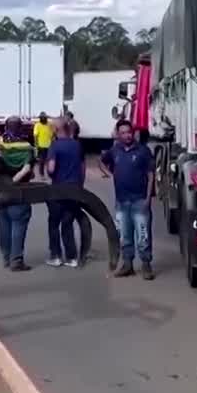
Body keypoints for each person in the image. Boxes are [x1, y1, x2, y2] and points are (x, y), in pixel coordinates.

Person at [99, 119, 155, 280]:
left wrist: (148, 198)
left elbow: (151, 175)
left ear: (133, 133)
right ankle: (127, 265)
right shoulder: (115, 150)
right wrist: (111, 175)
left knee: (143, 235)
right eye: (123, 133)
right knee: (124, 235)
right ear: (118, 134)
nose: (127, 135)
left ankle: (146, 265)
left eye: (129, 132)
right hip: (121, 201)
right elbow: (101, 161)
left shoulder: (143, 151)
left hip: (139, 200)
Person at [0, 117, 36, 271]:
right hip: (19, 191)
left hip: (0, 190)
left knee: (4, 224)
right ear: (21, 128)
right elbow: (27, 170)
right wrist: (14, 181)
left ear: (6, 127)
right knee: (19, 223)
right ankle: (16, 260)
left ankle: (6, 257)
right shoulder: (27, 148)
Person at [46, 118, 87, 267]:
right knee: (67, 223)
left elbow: (51, 168)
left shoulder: (55, 146)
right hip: (75, 189)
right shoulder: (77, 145)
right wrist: (80, 185)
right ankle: (72, 257)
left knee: (54, 223)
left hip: (59, 189)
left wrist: (50, 174)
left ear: (56, 130)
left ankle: (56, 256)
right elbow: (83, 168)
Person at [32, 112, 53, 179]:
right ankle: (42, 174)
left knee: (49, 161)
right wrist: (36, 145)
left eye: (44, 117)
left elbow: (52, 135)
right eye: (42, 118)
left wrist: (53, 142)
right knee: (42, 161)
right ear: (40, 118)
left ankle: (50, 174)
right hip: (41, 146)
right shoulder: (37, 125)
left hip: (49, 146)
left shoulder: (49, 125)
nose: (43, 119)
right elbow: (35, 136)